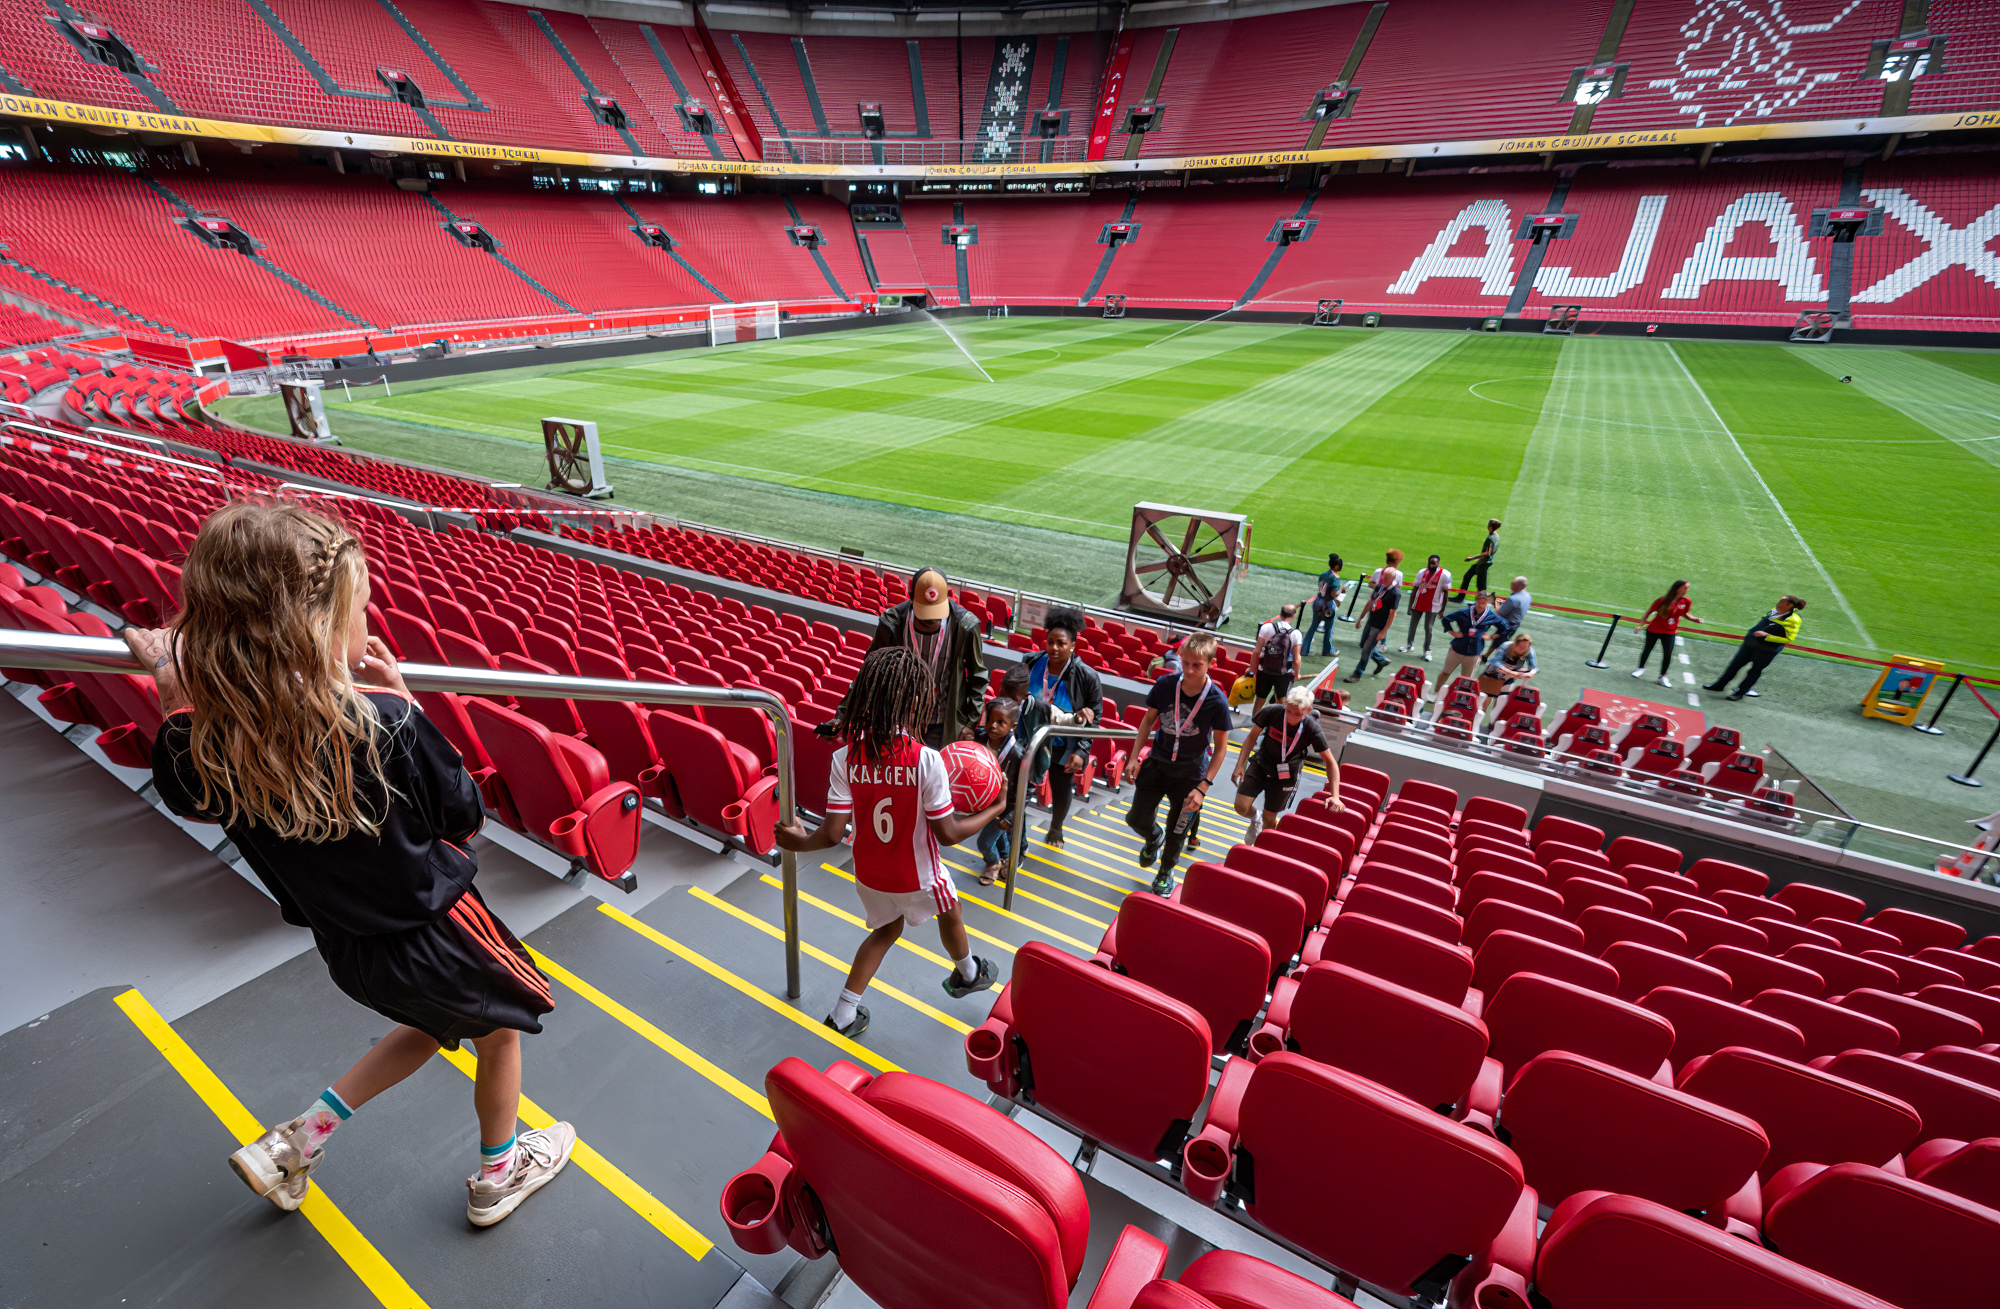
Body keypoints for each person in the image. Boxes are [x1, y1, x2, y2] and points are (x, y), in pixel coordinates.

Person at [125, 502, 570, 1227]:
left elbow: (184, 787)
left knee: (431, 1023)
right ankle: (500, 1172)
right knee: (501, 1032)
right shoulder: (385, 723)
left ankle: (296, 1142)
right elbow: (463, 815)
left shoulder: (200, 741)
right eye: (359, 607)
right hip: (443, 935)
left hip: (350, 949)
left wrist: (173, 690)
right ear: (318, 630)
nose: (368, 621)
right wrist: (406, 702)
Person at [775, 647, 1006, 1039]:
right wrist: (995, 807)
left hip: (867, 873)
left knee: (885, 931)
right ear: (915, 702)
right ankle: (968, 973)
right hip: (917, 872)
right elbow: (947, 835)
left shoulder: (845, 757)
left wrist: (798, 843)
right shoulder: (927, 760)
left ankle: (843, 1012)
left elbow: (832, 834)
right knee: (951, 911)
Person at [1126, 632, 1234, 897]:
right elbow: (1147, 722)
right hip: (1157, 765)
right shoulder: (1165, 685)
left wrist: (1204, 786)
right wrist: (1133, 757)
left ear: (1210, 664)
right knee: (1136, 818)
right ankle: (1153, 838)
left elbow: (1221, 748)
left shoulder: (1217, 701)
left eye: (1196, 665)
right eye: (1185, 662)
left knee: (1179, 828)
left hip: (1190, 775)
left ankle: (1165, 871)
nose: (1188, 669)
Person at [850, 566, 985, 747]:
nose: (931, 622)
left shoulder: (965, 626)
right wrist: (843, 714)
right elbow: (870, 671)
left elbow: (978, 676)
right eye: (925, 617)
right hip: (900, 719)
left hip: (941, 724)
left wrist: (969, 723)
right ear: (910, 595)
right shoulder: (893, 622)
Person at [985, 663, 1094, 882]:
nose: (1004, 700)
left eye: (1011, 697)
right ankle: (999, 854)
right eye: (1001, 693)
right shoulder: (997, 706)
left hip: (1026, 769)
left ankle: (1018, 850)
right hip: (1001, 769)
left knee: (1017, 812)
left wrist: (1078, 718)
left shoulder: (1039, 708)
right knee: (999, 810)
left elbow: (1062, 719)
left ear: (1024, 696)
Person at [1019, 605, 1101, 850]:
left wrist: (1083, 751)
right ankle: (1017, 838)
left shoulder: (1087, 677)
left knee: (1061, 788)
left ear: (1073, 645)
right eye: (1050, 642)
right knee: (1020, 788)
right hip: (1029, 738)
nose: (1054, 648)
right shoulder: (1030, 662)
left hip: (1063, 744)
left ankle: (1056, 827)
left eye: (1061, 643)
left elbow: (1094, 717)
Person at [1232, 685, 1343, 843]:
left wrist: (1336, 796)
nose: (1291, 717)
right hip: (1262, 763)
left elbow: (1331, 762)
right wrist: (1240, 764)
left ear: (1308, 710)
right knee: (1240, 806)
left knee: (1269, 818)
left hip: (1286, 774)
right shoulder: (1271, 711)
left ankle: (1262, 852)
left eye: (1297, 714)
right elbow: (1251, 738)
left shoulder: (1312, 728)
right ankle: (1255, 819)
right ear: (1285, 705)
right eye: (1289, 711)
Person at [1704, 596, 1805, 701]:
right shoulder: (1773, 611)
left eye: (1782, 601)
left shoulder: (1794, 620)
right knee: (1734, 665)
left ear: (1790, 605)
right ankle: (1719, 686)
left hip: (1766, 650)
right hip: (1751, 645)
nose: (1778, 603)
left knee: (1754, 671)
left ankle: (1740, 693)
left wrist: (1766, 636)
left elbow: (1789, 639)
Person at [973, 696, 1022, 886]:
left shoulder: (1017, 754)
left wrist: (1010, 817)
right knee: (997, 836)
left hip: (1002, 808)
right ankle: (1006, 858)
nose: (993, 726)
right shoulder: (979, 738)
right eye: (990, 720)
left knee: (984, 843)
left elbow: (1022, 791)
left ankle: (992, 863)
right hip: (982, 803)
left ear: (1013, 726)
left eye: (1001, 722)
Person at [1434, 590, 1506, 697]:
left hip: (1474, 652)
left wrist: (1491, 637)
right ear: (1476, 601)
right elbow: (1446, 619)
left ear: (1487, 603)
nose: (1481, 605)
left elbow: (1504, 626)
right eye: (1479, 602)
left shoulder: (1490, 615)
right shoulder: (1464, 612)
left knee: (1466, 679)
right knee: (1445, 672)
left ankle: (1460, 697)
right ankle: (1435, 692)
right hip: (1457, 649)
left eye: (1484, 603)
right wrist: (1452, 632)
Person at [1634, 580, 1700, 689]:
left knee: (1668, 654)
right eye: (1684, 587)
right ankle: (1640, 668)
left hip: (1670, 632)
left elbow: (1685, 613)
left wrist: (1694, 619)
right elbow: (1649, 612)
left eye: (1687, 588)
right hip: (1654, 630)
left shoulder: (1686, 601)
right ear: (1677, 588)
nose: (1686, 590)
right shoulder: (1663, 600)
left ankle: (1662, 676)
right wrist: (1641, 625)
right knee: (1647, 649)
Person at [1344, 567, 1402, 682]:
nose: (1384, 578)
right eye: (1383, 576)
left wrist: (1384, 631)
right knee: (1362, 644)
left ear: (1394, 578)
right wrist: (1361, 617)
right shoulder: (1380, 587)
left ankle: (1357, 673)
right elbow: (1371, 601)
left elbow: (1392, 614)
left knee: (1366, 649)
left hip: (1379, 625)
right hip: (1371, 621)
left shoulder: (1395, 594)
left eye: (1387, 577)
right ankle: (1381, 660)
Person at [1251, 603, 1304, 714]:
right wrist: (1297, 674)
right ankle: (1274, 723)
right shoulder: (1296, 634)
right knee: (1281, 701)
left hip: (1264, 670)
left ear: (1280, 614)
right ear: (1293, 616)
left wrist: (1252, 669)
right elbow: (1296, 659)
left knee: (1260, 698)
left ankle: (1255, 720)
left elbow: (1256, 651)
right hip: (1283, 673)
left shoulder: (1266, 627)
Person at [1479, 632, 1538, 730]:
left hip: (1508, 678)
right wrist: (1510, 672)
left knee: (1500, 702)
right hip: (1492, 675)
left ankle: (1492, 727)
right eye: (1520, 646)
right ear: (1515, 643)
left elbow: (1534, 666)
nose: (1522, 649)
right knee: (1486, 699)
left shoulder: (1529, 650)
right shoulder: (1506, 646)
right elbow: (1496, 661)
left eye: (1525, 647)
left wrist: (1531, 673)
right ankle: (1477, 722)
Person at [1401, 554, 1452, 660]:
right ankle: (1409, 644)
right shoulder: (1421, 572)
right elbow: (1415, 588)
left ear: (1438, 563)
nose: (1432, 564)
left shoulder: (1445, 574)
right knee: (1413, 624)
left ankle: (1427, 650)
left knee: (1428, 628)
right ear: (1428, 562)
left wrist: (1442, 609)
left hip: (1434, 605)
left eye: (1435, 562)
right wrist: (1410, 605)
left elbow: (1446, 593)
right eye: (1431, 562)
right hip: (1419, 602)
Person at [1303, 553, 1345, 657]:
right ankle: (1327, 650)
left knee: (1313, 626)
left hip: (1318, 601)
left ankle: (1304, 649)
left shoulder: (1323, 574)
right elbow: (1333, 594)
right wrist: (1342, 591)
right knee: (1329, 628)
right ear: (1336, 566)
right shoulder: (1335, 577)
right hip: (1327, 604)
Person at [1454, 518, 1501, 602]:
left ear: (1490, 526)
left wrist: (1472, 558)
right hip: (1483, 562)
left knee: (1481, 587)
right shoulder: (1496, 535)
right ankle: (1460, 597)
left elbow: (1487, 553)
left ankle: (1484, 602)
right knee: (1467, 576)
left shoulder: (1491, 538)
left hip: (1484, 563)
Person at [1488, 576, 1532, 657]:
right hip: (1515, 624)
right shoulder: (1527, 595)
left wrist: (1494, 603)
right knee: (1499, 640)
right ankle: (1486, 656)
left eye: (1514, 585)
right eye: (1512, 583)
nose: (1511, 586)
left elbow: (1499, 614)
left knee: (1501, 643)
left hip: (1507, 624)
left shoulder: (1513, 599)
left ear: (1520, 586)